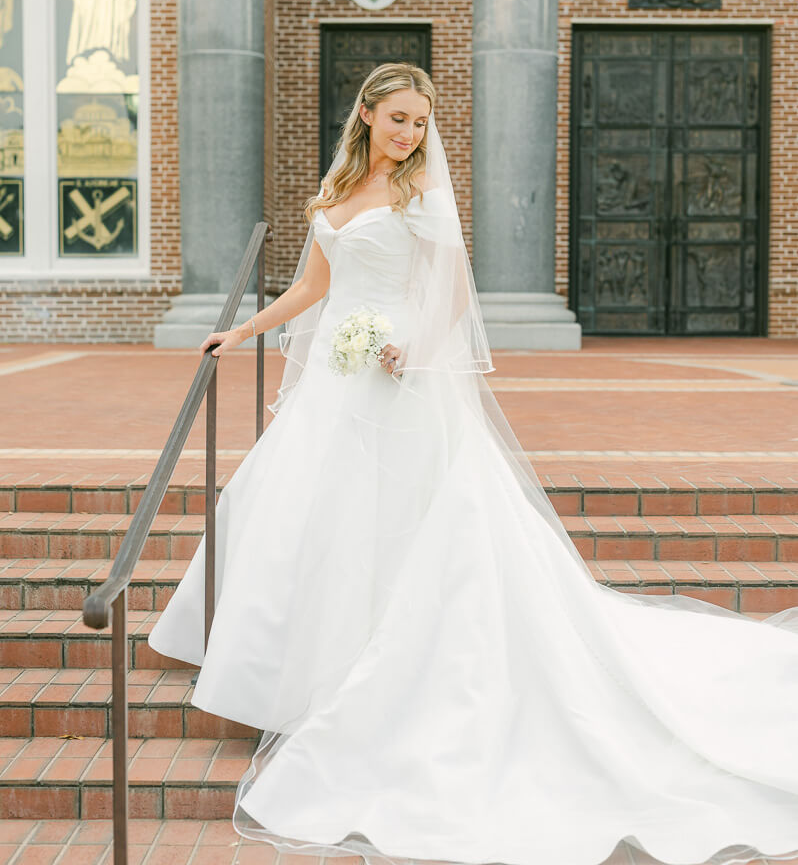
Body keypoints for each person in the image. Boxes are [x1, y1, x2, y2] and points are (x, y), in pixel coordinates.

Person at [148, 62, 798, 865]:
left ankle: (387, 680)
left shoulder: (420, 195)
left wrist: (412, 346)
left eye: (420, 123)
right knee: (311, 521)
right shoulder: (337, 190)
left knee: (395, 527)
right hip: (331, 386)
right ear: (366, 116)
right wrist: (242, 333)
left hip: (393, 380)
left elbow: (453, 292)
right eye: (398, 120)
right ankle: (303, 676)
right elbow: (316, 282)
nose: (410, 135)